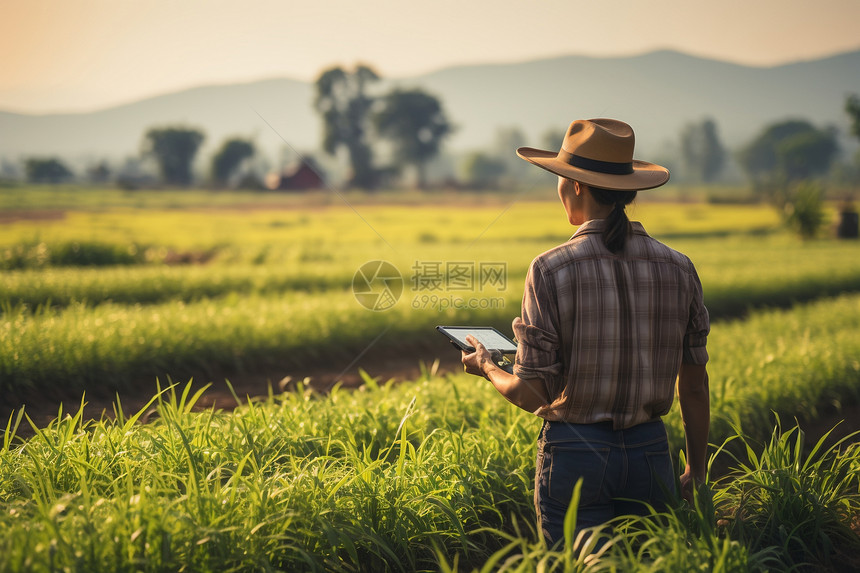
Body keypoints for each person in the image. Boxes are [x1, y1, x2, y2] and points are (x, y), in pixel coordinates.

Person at [461, 118, 710, 545]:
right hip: (651, 453)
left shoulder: (550, 268)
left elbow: (533, 393)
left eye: (560, 179)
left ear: (576, 186)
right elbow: (694, 385)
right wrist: (697, 472)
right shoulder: (679, 267)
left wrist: (487, 365)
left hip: (576, 455)